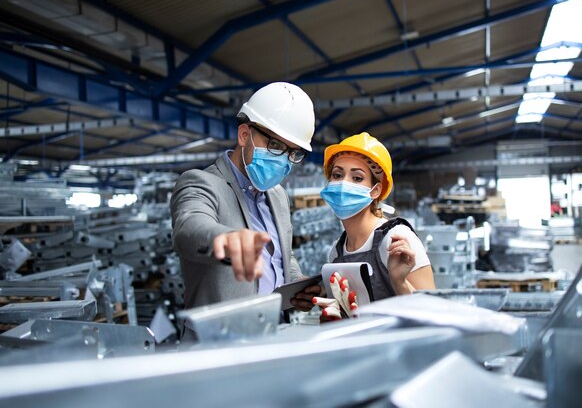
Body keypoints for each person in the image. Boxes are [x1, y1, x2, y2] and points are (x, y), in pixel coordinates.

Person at [170, 82, 321, 337]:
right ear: (244, 135)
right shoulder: (201, 182)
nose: (283, 160)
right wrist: (226, 240)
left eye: (293, 153)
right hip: (216, 347)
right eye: (275, 146)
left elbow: (283, 255)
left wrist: (296, 284)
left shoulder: (278, 196)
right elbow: (189, 228)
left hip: (272, 336)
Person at [318, 132, 435, 311]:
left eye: (357, 178)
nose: (343, 184)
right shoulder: (337, 252)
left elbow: (433, 312)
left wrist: (399, 282)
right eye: (337, 175)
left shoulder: (396, 239)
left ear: (375, 191)